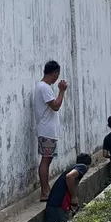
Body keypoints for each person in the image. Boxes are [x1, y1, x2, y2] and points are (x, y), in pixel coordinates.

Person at [35, 60, 68, 202]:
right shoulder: (44, 87)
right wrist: (61, 91)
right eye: (57, 75)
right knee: (46, 160)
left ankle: (46, 190)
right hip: (47, 131)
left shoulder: (42, 87)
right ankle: (44, 191)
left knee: (47, 160)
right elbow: (55, 106)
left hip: (47, 130)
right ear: (55, 73)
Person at [45, 153, 93, 222]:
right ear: (88, 165)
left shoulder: (74, 167)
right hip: (57, 205)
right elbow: (69, 177)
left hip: (55, 204)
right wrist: (74, 197)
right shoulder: (82, 167)